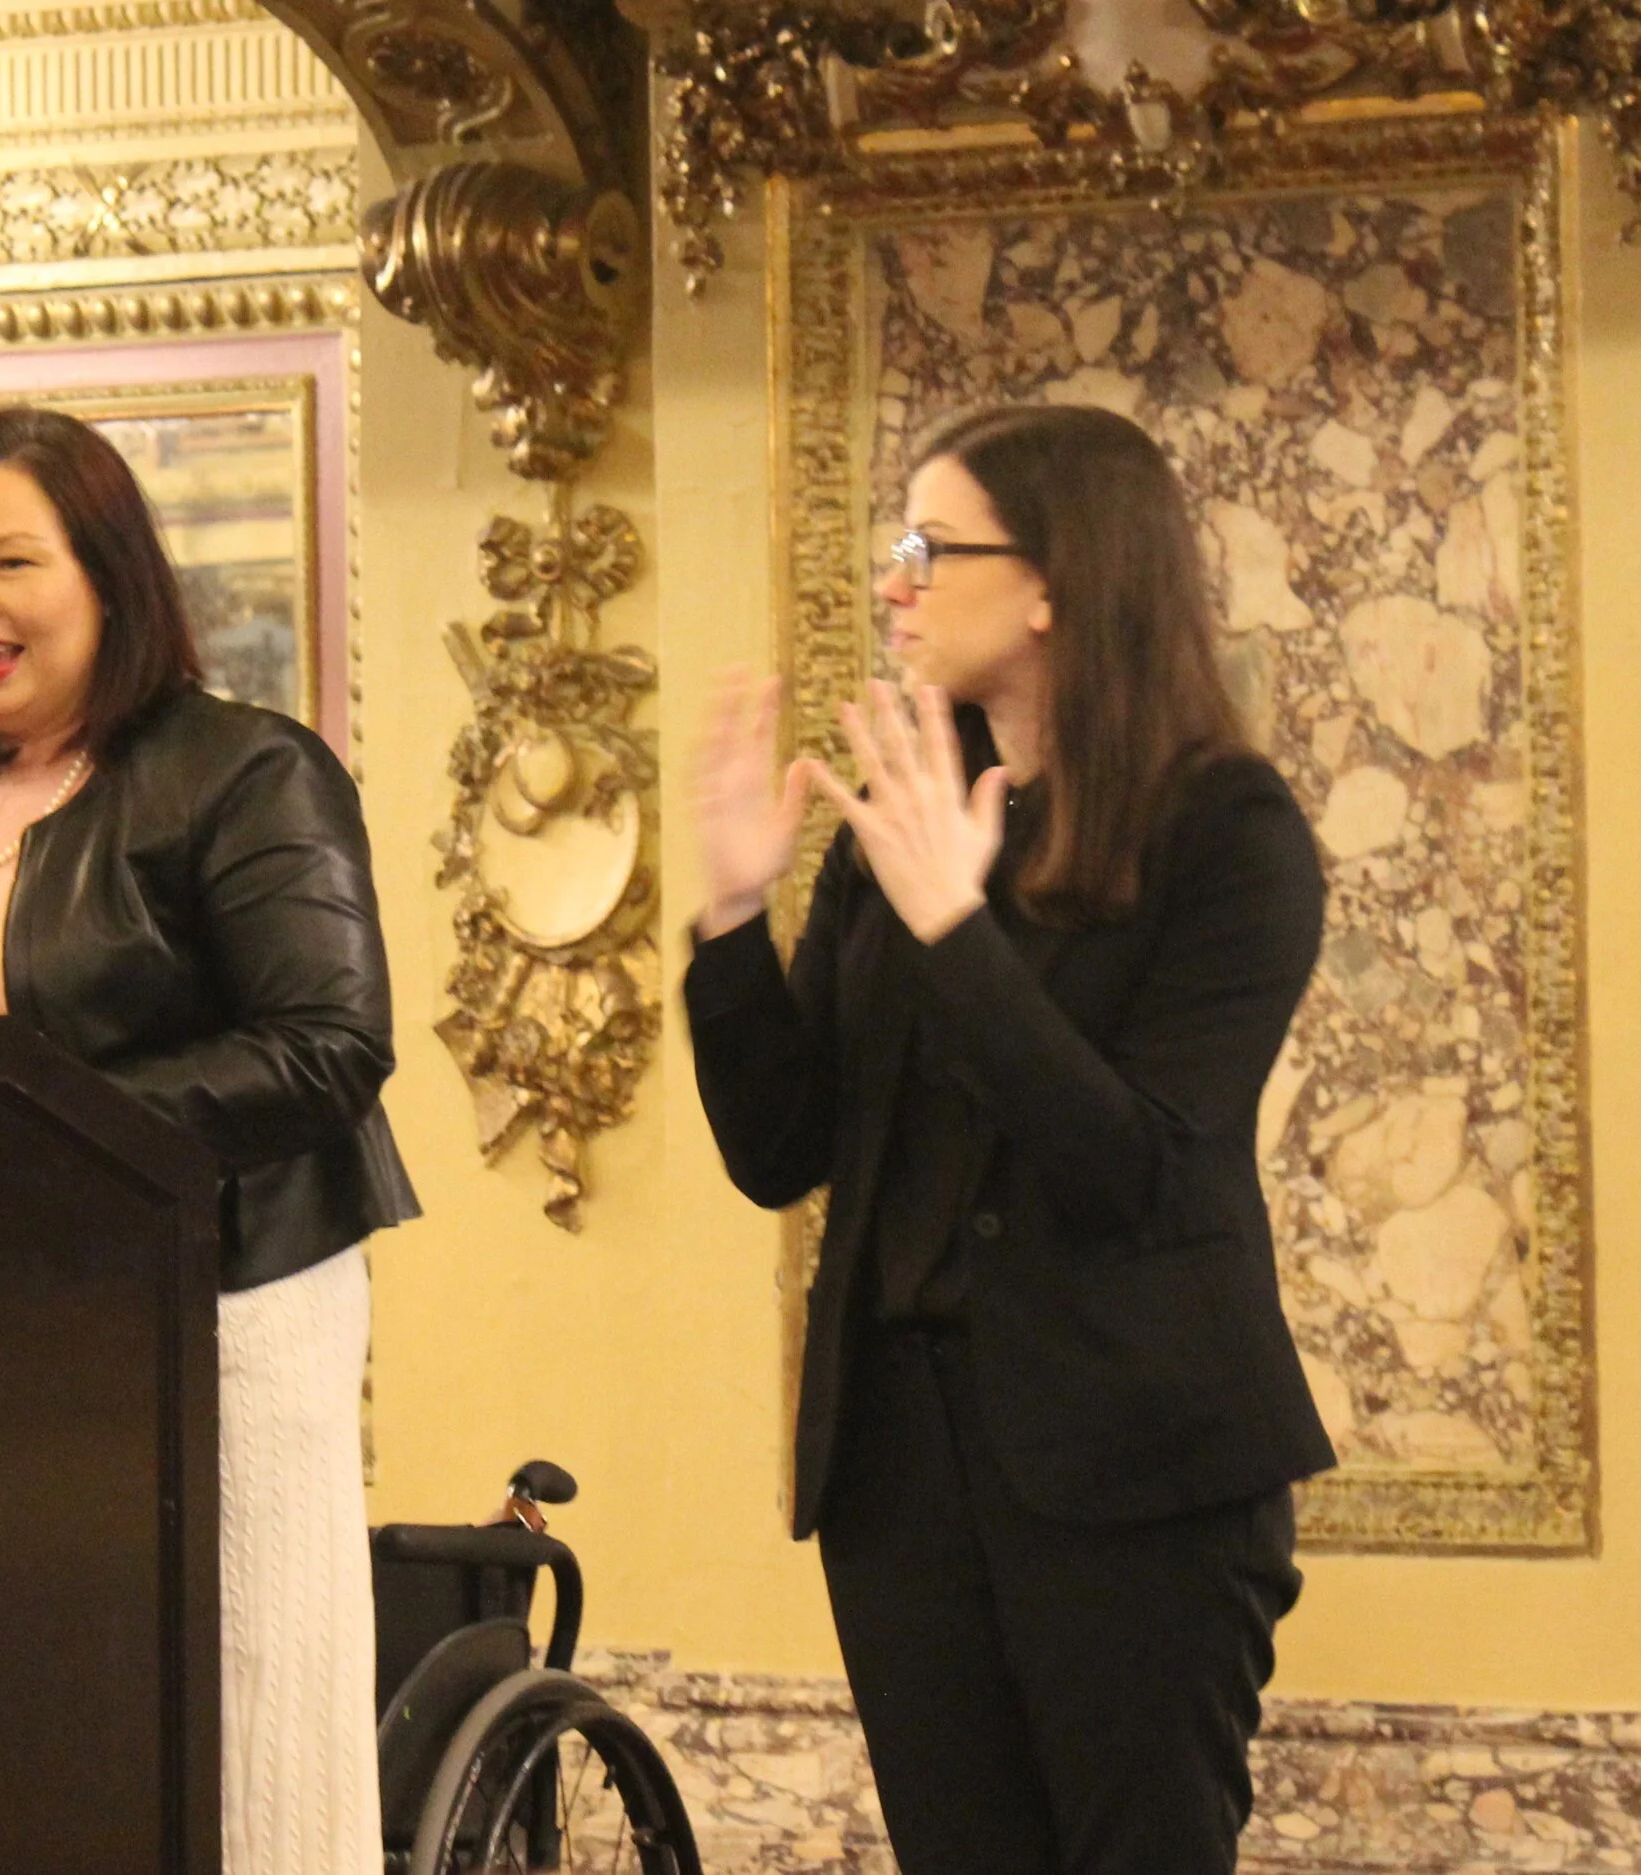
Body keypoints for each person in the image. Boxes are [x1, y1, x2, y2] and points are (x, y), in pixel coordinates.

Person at [685, 403, 1335, 1875]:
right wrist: (730, 916)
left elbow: (1142, 1172)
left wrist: (957, 932)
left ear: (1055, 581)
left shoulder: (1229, 831)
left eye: (929, 546)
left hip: (1138, 1467)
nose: (895, 581)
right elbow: (780, 1148)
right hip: (903, 1468)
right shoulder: (901, 821)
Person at [0, 404, 417, 1875]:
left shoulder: (241, 771)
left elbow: (327, 1044)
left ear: (110, 578)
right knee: (10, 1730)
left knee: (238, 1722)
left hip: (217, 1313)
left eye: (12, 559)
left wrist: (42, 1140)